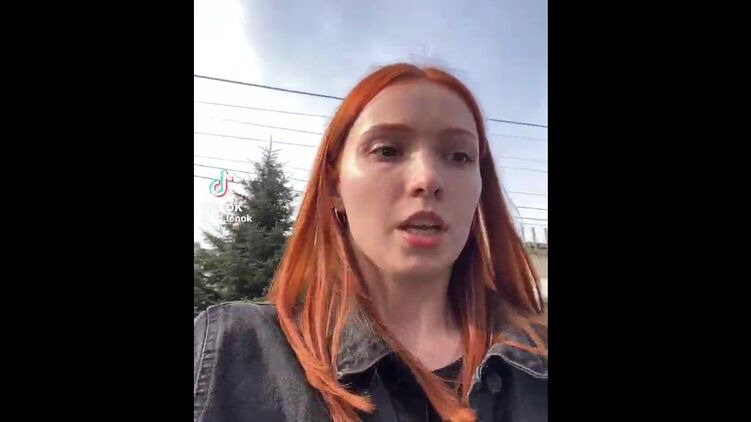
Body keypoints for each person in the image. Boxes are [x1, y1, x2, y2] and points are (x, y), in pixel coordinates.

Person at [194, 63, 547, 422]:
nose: (427, 179)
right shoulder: (231, 352)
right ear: (335, 186)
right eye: (387, 150)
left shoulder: (539, 363)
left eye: (459, 156)